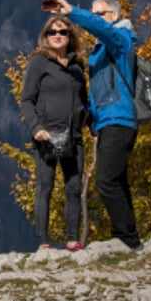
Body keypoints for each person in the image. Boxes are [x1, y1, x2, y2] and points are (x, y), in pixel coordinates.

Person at [42, 0, 142, 250]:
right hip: (106, 123)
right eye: (93, 13)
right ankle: (131, 238)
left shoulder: (121, 40)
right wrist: (90, 119)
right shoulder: (101, 50)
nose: (96, 18)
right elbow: (100, 90)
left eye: (100, 14)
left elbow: (103, 30)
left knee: (106, 182)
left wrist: (73, 12)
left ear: (114, 16)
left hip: (120, 119)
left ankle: (126, 240)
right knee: (117, 180)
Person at [18, 15, 87, 251]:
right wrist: (36, 128)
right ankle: (43, 243)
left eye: (63, 32)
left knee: (74, 188)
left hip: (74, 137)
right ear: (46, 36)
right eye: (52, 32)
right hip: (46, 136)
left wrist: (91, 125)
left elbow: (83, 100)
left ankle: (72, 240)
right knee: (45, 188)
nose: (57, 36)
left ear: (70, 36)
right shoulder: (39, 62)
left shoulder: (78, 65)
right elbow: (26, 100)